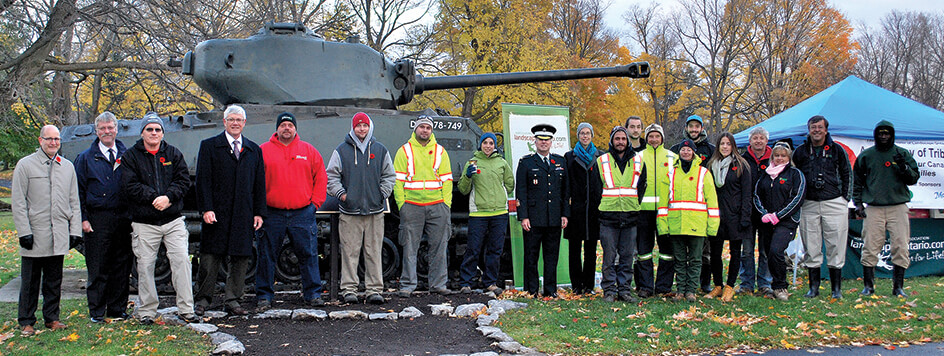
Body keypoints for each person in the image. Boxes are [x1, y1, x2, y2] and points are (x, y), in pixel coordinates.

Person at [120, 113, 198, 324]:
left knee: (181, 261)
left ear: (163, 133)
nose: (154, 133)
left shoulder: (173, 153)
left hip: (172, 220)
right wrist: (155, 198)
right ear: (142, 132)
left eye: (157, 130)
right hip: (145, 222)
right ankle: (147, 311)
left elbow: (183, 181)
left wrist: (168, 198)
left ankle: (186, 309)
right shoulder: (131, 157)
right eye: (149, 129)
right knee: (144, 267)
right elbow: (129, 185)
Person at [194, 105, 266, 316]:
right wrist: (206, 208)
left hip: (243, 212)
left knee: (240, 257)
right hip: (217, 211)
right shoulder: (209, 146)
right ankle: (203, 299)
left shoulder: (253, 150)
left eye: (239, 120)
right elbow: (202, 181)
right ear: (224, 122)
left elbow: (259, 184)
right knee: (210, 257)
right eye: (231, 119)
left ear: (244, 123)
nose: (235, 123)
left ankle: (233, 299)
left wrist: (259, 212)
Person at [12, 125, 81, 336]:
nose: (53, 143)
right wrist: (24, 231)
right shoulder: (25, 165)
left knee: (54, 280)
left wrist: (75, 230)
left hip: (58, 233)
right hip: (35, 232)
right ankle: (26, 320)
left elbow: (74, 201)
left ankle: (52, 318)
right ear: (40, 140)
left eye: (57, 139)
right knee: (30, 281)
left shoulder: (67, 166)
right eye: (49, 139)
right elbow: (18, 201)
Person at [257, 112, 328, 309]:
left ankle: (313, 293)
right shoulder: (263, 151)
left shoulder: (309, 151)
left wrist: (315, 204)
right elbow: (255, 182)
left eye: (290, 125)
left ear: (295, 128)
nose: (286, 128)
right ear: (277, 128)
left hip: (302, 212)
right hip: (272, 213)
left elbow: (321, 177)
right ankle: (264, 296)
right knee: (266, 255)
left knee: (308, 254)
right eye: (283, 125)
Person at [326, 112, 396, 304]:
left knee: (374, 251)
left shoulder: (380, 150)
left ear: (369, 127)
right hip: (350, 211)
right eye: (358, 126)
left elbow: (389, 175)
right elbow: (331, 176)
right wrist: (343, 195)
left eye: (365, 125)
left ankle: (374, 289)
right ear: (353, 127)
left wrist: (381, 194)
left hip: (374, 211)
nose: (362, 129)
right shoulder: (342, 151)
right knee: (350, 251)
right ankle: (349, 289)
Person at [74, 112, 133, 323]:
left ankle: (118, 309)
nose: (107, 132)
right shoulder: (85, 158)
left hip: (123, 218)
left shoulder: (127, 155)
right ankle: (97, 311)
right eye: (102, 128)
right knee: (98, 267)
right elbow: (78, 191)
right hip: (97, 219)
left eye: (110, 127)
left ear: (116, 129)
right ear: (96, 131)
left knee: (121, 266)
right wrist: (83, 218)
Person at [853, 120, 919, 297]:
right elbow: (857, 181)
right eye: (880, 133)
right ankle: (869, 286)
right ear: (875, 135)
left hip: (898, 206)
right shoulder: (867, 156)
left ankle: (898, 287)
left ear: (892, 135)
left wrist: (903, 167)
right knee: (870, 245)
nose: (883, 137)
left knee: (900, 246)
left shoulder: (902, 153)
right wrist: (857, 203)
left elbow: (914, 178)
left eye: (887, 133)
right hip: (874, 207)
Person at [793, 115, 852, 299]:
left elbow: (847, 173)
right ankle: (814, 288)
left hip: (834, 202)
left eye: (820, 127)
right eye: (813, 127)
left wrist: (845, 199)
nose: (816, 130)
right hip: (809, 203)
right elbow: (794, 175)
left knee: (836, 244)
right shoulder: (801, 151)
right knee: (811, 245)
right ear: (808, 129)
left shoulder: (837, 150)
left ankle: (836, 289)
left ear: (826, 130)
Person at [394, 115, 454, 297]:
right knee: (409, 247)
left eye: (428, 127)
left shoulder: (440, 151)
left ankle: (438, 284)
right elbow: (398, 181)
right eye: (422, 127)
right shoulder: (404, 151)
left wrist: (446, 204)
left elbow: (447, 180)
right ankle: (407, 285)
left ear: (432, 130)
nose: (425, 130)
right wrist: (402, 204)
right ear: (416, 129)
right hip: (412, 206)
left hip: (437, 206)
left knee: (439, 247)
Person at [658, 139, 719, 302]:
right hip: (676, 224)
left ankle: (691, 290)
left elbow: (712, 201)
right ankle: (680, 290)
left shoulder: (703, 173)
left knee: (695, 259)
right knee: (679, 260)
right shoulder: (670, 173)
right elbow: (663, 203)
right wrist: (663, 226)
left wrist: (712, 227)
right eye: (683, 149)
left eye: (689, 150)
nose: (686, 152)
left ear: (694, 153)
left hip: (697, 225)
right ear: (679, 152)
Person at [516, 124, 569, 298]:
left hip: (554, 218)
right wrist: (523, 216)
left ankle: (550, 290)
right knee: (531, 257)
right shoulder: (526, 162)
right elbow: (521, 191)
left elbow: (565, 191)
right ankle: (531, 290)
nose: (544, 143)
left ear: (552, 142)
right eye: (540, 140)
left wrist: (564, 214)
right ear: (535, 141)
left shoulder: (560, 161)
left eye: (547, 140)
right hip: (533, 218)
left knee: (551, 257)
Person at [457, 132, 514, 295]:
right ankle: (466, 283)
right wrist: (468, 176)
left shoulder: (502, 163)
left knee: (495, 250)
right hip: (478, 213)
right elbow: (463, 188)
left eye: (491, 143)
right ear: (480, 145)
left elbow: (510, 184)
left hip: (499, 213)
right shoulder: (472, 163)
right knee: (473, 249)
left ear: (495, 146)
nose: (488, 146)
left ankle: (490, 282)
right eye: (485, 143)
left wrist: (500, 194)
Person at [596, 126, 646, 302]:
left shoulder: (638, 161)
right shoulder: (601, 161)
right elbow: (596, 189)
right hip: (608, 218)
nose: (620, 142)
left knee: (626, 256)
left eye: (623, 139)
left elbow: (642, 186)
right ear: (612, 141)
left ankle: (624, 290)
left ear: (627, 141)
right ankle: (609, 290)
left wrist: (633, 203)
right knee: (609, 257)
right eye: (617, 139)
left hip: (630, 216)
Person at [753, 142, 805, 302]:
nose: (780, 158)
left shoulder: (795, 174)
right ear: (772, 157)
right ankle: (769, 285)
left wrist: (779, 215)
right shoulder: (766, 174)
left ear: (788, 157)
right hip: (767, 222)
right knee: (769, 253)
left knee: (776, 250)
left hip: (786, 222)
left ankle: (780, 286)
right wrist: (764, 214)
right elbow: (756, 195)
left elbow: (797, 197)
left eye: (783, 155)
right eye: (777, 155)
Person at [669, 115, 716, 293]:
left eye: (697, 126)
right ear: (686, 128)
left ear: (702, 128)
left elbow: (711, 195)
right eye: (691, 126)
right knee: (680, 258)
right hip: (678, 220)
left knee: (701, 256)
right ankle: (682, 289)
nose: (694, 129)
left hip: (698, 218)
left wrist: (711, 222)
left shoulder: (710, 151)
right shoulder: (674, 155)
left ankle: (700, 286)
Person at [704, 133, 752, 302]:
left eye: (728, 144)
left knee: (735, 252)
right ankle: (718, 285)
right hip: (717, 215)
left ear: (733, 146)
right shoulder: (711, 165)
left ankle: (730, 286)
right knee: (715, 253)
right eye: (722, 143)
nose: (725, 147)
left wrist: (745, 217)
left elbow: (747, 193)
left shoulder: (741, 165)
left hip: (735, 216)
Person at [634, 123, 677, 298]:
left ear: (662, 138)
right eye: (650, 136)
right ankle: (645, 287)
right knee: (644, 252)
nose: (653, 139)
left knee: (667, 252)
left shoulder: (672, 157)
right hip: (643, 211)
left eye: (657, 136)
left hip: (665, 211)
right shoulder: (638, 156)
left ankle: (663, 286)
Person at [564, 123, 602, 295]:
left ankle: (589, 285)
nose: (585, 136)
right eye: (582, 133)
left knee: (590, 250)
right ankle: (576, 285)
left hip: (594, 210)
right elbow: (566, 184)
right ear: (578, 135)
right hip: (575, 210)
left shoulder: (600, 156)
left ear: (592, 135)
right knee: (574, 250)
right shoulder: (569, 156)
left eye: (588, 133)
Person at [738, 127, 774, 296]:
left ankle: (765, 283)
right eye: (755, 138)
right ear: (750, 141)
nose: (758, 141)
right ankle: (746, 283)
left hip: (769, 212)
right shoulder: (742, 160)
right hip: (747, 212)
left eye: (761, 138)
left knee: (766, 250)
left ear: (766, 141)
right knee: (746, 250)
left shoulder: (775, 159)